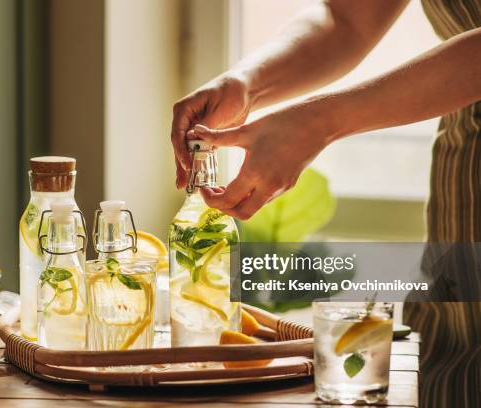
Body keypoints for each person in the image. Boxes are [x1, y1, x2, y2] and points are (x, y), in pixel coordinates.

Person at [170, 1, 480, 407]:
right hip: (465, 190)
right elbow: (347, 19)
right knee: (455, 363)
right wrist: (247, 84)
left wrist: (319, 122)